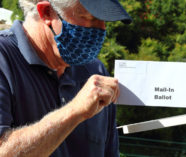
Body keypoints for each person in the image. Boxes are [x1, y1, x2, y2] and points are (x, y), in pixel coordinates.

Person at [0, 0, 131, 156]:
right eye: (89, 17)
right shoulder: (4, 59)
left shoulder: (95, 71)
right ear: (47, 12)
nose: (102, 29)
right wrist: (75, 111)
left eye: (104, 20)